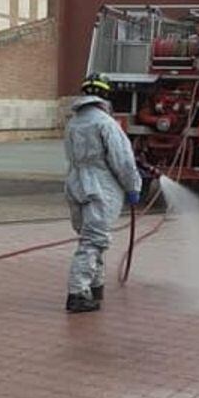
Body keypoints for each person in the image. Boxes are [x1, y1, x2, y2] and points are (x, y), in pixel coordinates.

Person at [64, 73, 142, 313]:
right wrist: (133, 187)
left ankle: (95, 287)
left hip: (75, 184)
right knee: (94, 240)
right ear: (105, 95)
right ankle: (77, 292)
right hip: (100, 187)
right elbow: (123, 161)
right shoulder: (106, 123)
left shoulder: (74, 122)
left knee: (90, 238)